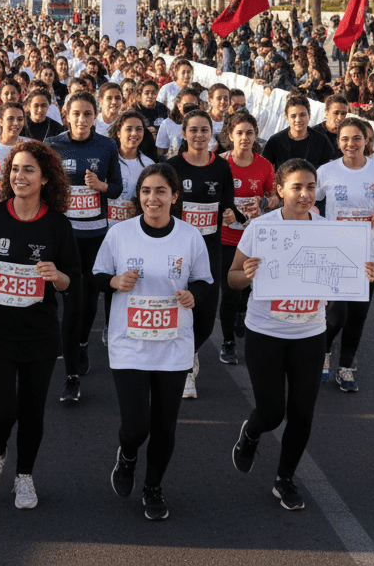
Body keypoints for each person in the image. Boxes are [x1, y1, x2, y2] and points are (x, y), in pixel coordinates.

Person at [228, 159, 374, 510]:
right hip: (265, 331)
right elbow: (232, 277)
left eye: (311, 187)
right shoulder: (261, 229)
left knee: (302, 412)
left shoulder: (330, 230)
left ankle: (285, 478)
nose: (305, 194)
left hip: (310, 333)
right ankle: (251, 434)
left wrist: (363, 273)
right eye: (296, 187)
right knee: (271, 412)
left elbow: (349, 275)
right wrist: (246, 274)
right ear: (280, 190)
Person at [0, 141, 79, 510]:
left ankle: (24, 475)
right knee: (0, 412)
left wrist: (57, 275)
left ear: (45, 178)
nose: (20, 176)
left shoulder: (57, 225)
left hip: (39, 334)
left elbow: (73, 281)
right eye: (14, 169)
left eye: (28, 170)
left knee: (31, 413)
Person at [96, 163, 212, 520]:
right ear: (139, 196)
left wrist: (194, 295)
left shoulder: (190, 236)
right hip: (129, 342)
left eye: (161, 191)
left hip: (172, 344)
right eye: (146, 191)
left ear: (175, 197)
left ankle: (153, 488)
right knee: (136, 426)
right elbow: (98, 275)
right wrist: (115, 283)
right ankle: (127, 455)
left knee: (164, 426)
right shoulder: (120, 234)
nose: (153, 198)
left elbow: (205, 282)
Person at [46, 91, 123, 404]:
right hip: (64, 237)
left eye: (88, 114)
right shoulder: (53, 145)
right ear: (67, 114)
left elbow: (116, 189)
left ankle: (80, 345)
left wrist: (101, 187)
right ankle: (70, 372)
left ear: (95, 115)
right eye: (76, 113)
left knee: (89, 298)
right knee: (68, 300)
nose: (81, 119)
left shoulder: (106, 145)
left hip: (95, 236)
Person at [314, 118, 374, 391]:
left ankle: (347, 366)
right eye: (345, 139)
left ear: (366, 141)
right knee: (338, 312)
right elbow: (310, 202)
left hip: (367, 252)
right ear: (338, 142)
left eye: (357, 139)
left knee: (359, 313)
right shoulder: (326, 171)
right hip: (336, 251)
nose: (351, 144)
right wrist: (314, 216)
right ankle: (324, 351)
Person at [166, 110, 242, 398]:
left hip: (210, 248)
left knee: (207, 315)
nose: (199, 135)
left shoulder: (221, 167)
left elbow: (230, 205)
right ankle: (184, 367)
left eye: (204, 130)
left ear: (213, 134)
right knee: (179, 308)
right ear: (184, 134)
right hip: (176, 248)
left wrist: (229, 213)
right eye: (193, 130)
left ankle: (191, 351)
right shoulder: (172, 166)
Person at [219, 112, 275, 365]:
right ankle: (228, 341)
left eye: (249, 133)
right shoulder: (220, 163)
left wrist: (270, 201)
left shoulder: (264, 165)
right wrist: (225, 211)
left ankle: (243, 311)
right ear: (230, 136)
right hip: (226, 237)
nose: (245, 138)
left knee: (248, 286)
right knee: (230, 290)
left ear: (255, 135)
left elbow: (273, 195)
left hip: (254, 238)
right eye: (239, 133)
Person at [261, 94, 337, 169]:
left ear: (309, 116)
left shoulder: (321, 141)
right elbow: (264, 170)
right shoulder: (276, 141)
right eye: (293, 116)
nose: (298, 120)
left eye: (302, 115)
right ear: (286, 117)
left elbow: (328, 171)